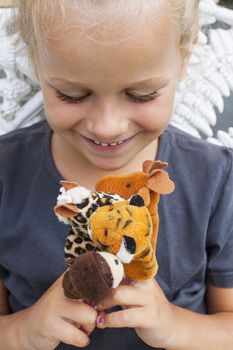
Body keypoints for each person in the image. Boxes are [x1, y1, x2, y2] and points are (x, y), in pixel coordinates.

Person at [0, 0, 233, 349]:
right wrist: (24, 331)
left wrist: (174, 327)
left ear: (185, 57)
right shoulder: (7, 174)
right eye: (73, 95)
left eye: (141, 95)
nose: (107, 126)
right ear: (35, 60)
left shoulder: (216, 180)